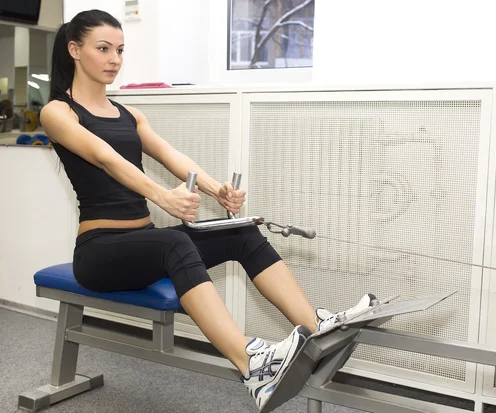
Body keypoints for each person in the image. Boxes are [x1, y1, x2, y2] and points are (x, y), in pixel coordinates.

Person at [41, 9, 372, 409]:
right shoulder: (58, 112)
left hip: (145, 241)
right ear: (75, 50)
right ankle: (253, 365)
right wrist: (163, 197)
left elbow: (170, 154)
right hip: (100, 251)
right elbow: (108, 158)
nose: (115, 59)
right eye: (104, 48)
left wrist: (218, 191)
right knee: (173, 244)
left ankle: (315, 326)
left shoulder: (130, 114)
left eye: (121, 50)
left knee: (240, 232)